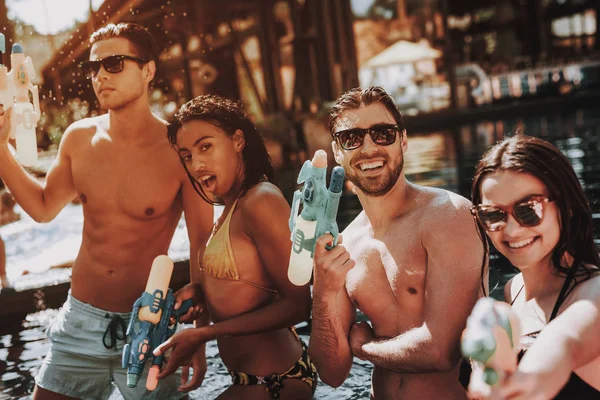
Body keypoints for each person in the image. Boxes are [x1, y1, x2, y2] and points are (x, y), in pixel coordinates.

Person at [0, 23, 213, 399]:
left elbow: (201, 247)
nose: (99, 75)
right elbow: (43, 207)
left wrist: (197, 334)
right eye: (93, 67)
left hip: (149, 326)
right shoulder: (79, 140)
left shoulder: (179, 151)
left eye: (114, 63)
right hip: (79, 321)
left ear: (147, 70)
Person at [308, 86, 486, 399]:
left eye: (382, 133)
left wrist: (365, 347)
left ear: (402, 140)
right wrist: (323, 290)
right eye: (352, 138)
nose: (368, 148)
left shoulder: (447, 216)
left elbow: (440, 352)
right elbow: (332, 373)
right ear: (338, 151)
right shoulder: (345, 243)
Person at [153, 94, 316, 399]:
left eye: (206, 146)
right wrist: (201, 294)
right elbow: (248, 286)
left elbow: (298, 304)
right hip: (251, 380)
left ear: (238, 141)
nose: (197, 164)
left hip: (276, 383)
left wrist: (204, 334)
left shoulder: (261, 200)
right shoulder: (232, 209)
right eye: (187, 155)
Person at [468, 134, 600, 399]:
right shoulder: (512, 290)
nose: (513, 229)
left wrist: (525, 381)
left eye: (528, 209)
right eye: (493, 214)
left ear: (566, 206)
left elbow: (564, 340)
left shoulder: (594, 293)